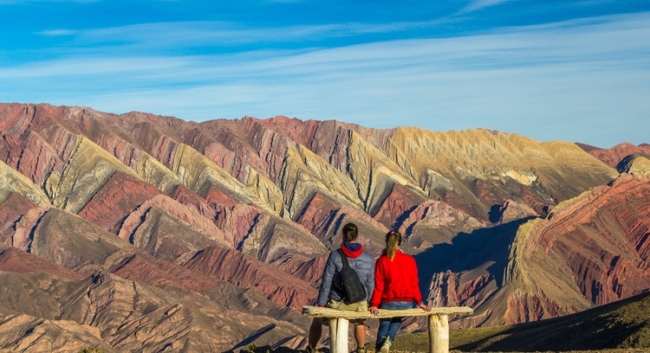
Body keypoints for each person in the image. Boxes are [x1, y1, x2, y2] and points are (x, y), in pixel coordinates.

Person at [307, 222, 375, 353]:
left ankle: (312, 348)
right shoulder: (368, 258)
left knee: (317, 320)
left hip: (337, 303)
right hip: (359, 304)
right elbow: (370, 283)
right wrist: (371, 302)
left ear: (343, 236)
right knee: (359, 322)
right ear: (357, 236)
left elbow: (326, 282)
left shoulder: (335, 256)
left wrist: (321, 305)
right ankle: (361, 349)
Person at [369, 230, 431, 353]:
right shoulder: (410, 260)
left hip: (388, 301)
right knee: (397, 319)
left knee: (385, 323)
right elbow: (414, 283)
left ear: (387, 242)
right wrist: (419, 302)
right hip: (407, 302)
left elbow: (379, 286)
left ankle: (379, 348)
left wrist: (374, 304)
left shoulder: (382, 261)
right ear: (400, 242)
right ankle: (388, 342)